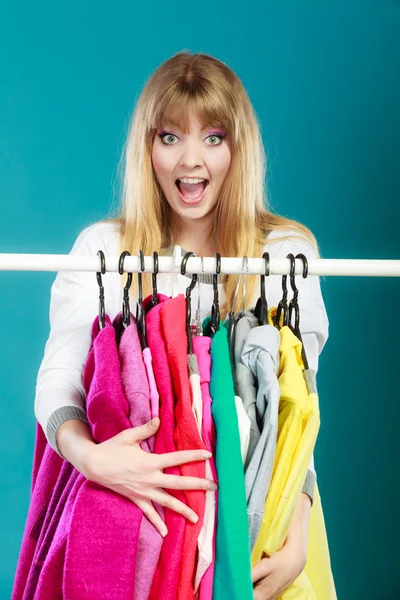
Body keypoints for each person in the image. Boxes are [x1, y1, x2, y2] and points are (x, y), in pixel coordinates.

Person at [34, 51, 329, 600]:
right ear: (147, 148)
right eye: (170, 137)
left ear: (238, 150)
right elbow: (57, 383)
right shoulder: (102, 250)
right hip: (128, 516)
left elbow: (295, 409)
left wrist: (299, 531)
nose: (190, 160)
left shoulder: (285, 254)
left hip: (259, 518)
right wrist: (95, 461)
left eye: (213, 137)